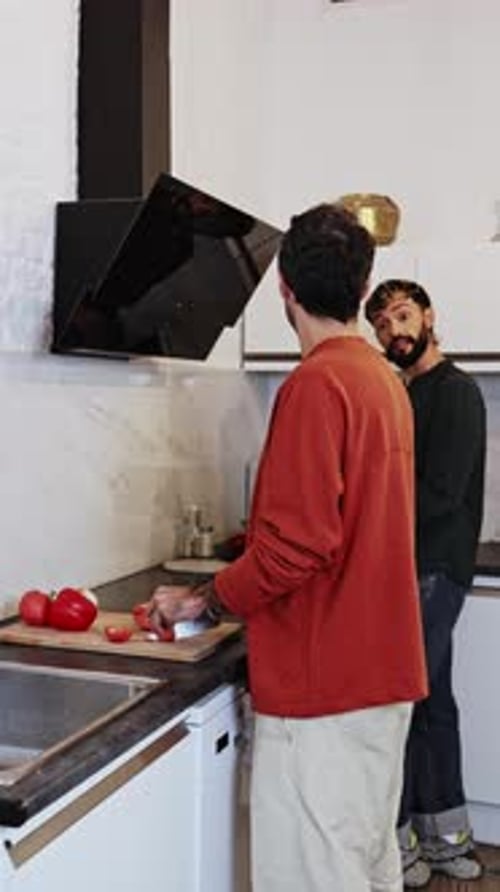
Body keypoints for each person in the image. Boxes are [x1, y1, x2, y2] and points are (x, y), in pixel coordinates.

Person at [148, 205, 427, 892]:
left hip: (323, 690)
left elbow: (295, 550)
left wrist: (203, 598)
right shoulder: (384, 384)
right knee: (363, 865)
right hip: (378, 678)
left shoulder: (316, 385)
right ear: (364, 292)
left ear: (284, 291)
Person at [364, 279, 486, 888]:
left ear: (429, 316)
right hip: (411, 567)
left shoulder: (455, 393)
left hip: (435, 568)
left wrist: (363, 525)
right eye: (382, 326)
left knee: (405, 704)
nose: (395, 332)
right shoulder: (400, 391)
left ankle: (404, 843)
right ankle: (448, 839)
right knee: (432, 700)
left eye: (403, 316)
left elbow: (438, 494)